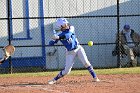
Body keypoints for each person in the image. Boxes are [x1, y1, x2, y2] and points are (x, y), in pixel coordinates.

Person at [48, 18, 100, 84]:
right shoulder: (58, 34)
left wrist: (58, 37)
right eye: (64, 24)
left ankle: (95, 77)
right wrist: (52, 40)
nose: (66, 25)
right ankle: (54, 80)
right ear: (60, 26)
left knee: (86, 62)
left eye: (66, 23)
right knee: (66, 71)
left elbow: (68, 35)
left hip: (78, 48)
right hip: (70, 52)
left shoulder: (71, 28)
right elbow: (51, 43)